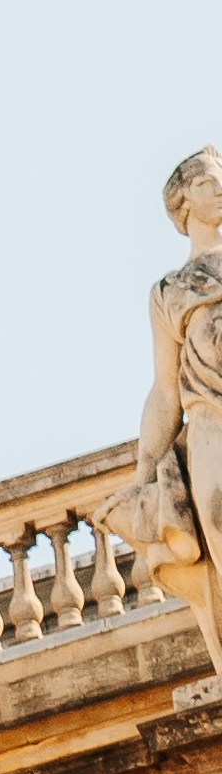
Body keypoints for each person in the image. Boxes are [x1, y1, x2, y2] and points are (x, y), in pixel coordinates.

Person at [125, 149, 222, 677]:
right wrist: (143, 473)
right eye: (209, 183)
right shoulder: (172, 291)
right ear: (183, 203)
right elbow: (165, 394)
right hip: (212, 430)